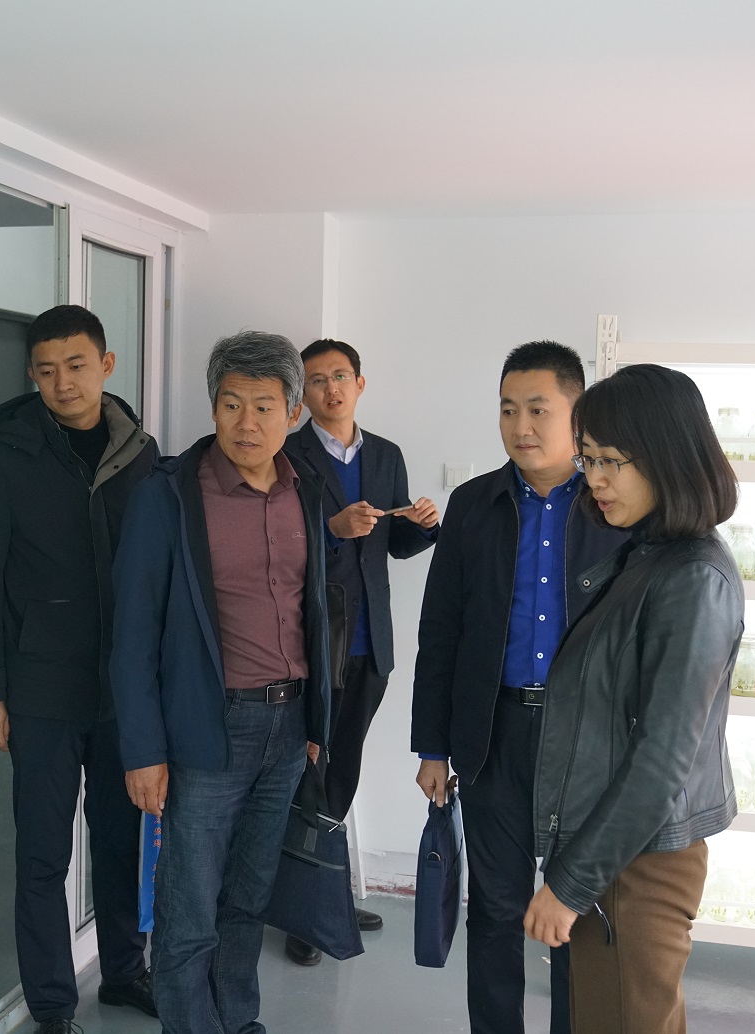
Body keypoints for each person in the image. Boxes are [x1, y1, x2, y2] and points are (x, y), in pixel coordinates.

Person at [110, 330, 335, 1034]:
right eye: (231, 404)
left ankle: (238, 1022)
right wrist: (143, 750)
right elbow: (132, 632)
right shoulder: (169, 497)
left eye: (264, 407)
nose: (246, 423)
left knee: (248, 901)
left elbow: (315, 613)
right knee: (188, 911)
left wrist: (316, 723)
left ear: (293, 413)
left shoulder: (307, 490)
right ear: (213, 408)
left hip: (287, 728)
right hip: (208, 728)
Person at [411, 341, 628, 1034]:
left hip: (585, 742)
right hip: (493, 734)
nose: (521, 426)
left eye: (538, 409)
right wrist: (432, 747)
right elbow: (440, 632)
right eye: (508, 410)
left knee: (574, 910)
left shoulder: (612, 507)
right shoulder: (473, 505)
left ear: (578, 413)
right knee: (497, 908)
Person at [522, 363, 742, 1034]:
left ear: (668, 457)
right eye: (587, 459)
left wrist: (570, 884)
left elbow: (661, 759)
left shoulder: (693, 578)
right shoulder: (650, 558)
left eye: (611, 461)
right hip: (616, 850)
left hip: (636, 863)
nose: (595, 478)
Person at [0, 305, 159, 1034]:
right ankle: (51, 1005)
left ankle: (125, 972)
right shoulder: (2, 459)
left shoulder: (140, 454)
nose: (62, 383)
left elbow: (157, 575)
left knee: (121, 842)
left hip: (122, 691)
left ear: (106, 365)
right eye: (46, 371)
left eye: (75, 366)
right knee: (43, 856)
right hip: (40, 690)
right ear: (32, 376)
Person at [280, 338, 439, 965]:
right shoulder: (288, 454)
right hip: (313, 640)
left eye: (340, 376)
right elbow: (277, 545)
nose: (331, 389)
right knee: (308, 774)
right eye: (317, 380)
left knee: (342, 769)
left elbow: (393, 546)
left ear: (359, 383)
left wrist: (424, 526)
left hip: (372, 642)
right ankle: (302, 909)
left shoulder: (386, 455)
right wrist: (331, 530)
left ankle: (325, 900)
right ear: (304, 393)